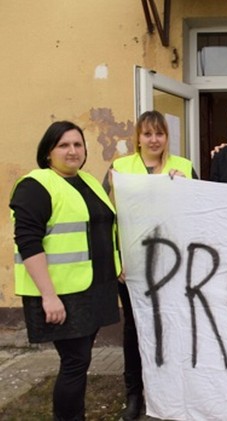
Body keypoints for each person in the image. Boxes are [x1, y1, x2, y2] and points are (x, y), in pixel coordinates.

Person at [10, 121, 121, 421]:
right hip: (61, 293)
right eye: (63, 145)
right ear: (48, 152)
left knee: (79, 361)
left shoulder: (88, 182)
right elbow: (27, 242)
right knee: (75, 361)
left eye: (77, 144)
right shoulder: (35, 185)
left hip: (94, 288)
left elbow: (103, 231)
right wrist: (49, 295)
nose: (72, 151)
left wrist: (118, 268)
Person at [105, 110, 197, 421]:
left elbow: (198, 214)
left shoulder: (183, 166)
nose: (154, 140)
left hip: (173, 265)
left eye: (160, 134)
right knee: (134, 330)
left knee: (173, 326)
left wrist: (186, 188)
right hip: (132, 266)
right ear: (138, 138)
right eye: (148, 134)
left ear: (167, 137)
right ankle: (135, 393)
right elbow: (110, 220)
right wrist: (117, 261)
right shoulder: (120, 168)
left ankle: (173, 388)